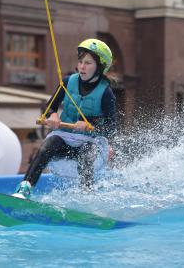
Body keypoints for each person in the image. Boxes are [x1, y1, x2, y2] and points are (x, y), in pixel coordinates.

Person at [13, 38, 117, 199]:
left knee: (86, 152)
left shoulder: (106, 92)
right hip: (64, 139)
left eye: (88, 63)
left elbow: (112, 127)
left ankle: (86, 196)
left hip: (89, 142)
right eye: (81, 61)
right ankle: (24, 189)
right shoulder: (68, 82)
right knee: (48, 145)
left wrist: (90, 125)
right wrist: (53, 116)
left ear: (100, 67)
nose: (82, 66)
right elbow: (50, 108)